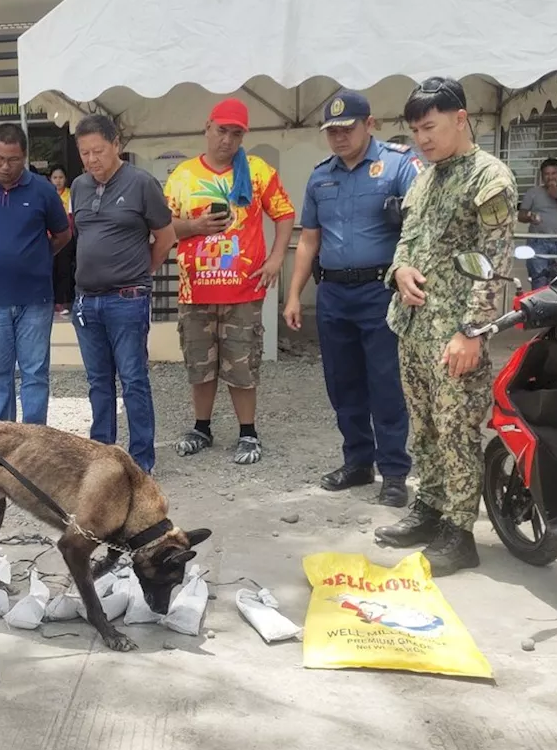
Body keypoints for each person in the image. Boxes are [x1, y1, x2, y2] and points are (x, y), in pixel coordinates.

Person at [375, 77, 516, 575]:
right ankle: (429, 508)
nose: (423, 139)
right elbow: (407, 240)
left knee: (457, 430)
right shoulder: (424, 177)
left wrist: (471, 333)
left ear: (461, 118)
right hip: (413, 327)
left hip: (455, 332)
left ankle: (460, 532)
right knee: (426, 427)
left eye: (430, 127)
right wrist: (400, 271)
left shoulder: (489, 178)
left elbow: (495, 264)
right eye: (415, 131)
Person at [284, 90, 422, 506]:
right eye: (332, 131)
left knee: (384, 383)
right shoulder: (320, 176)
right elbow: (309, 240)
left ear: (370, 124)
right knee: (342, 383)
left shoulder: (399, 166)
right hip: (333, 294)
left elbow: (418, 230)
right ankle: (358, 462)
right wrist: (294, 296)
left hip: (381, 291)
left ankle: (394, 471)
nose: (339, 138)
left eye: (348, 129)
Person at [165, 99, 295, 466]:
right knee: (199, 363)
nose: (228, 140)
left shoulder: (257, 171)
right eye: (222, 130)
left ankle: (248, 432)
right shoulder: (183, 176)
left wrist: (275, 259)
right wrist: (195, 227)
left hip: (242, 290)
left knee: (242, 364)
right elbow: (162, 227)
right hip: (196, 291)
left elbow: (285, 214)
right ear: (207, 127)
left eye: (236, 133)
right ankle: (201, 427)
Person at [70, 114, 177, 474]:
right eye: (84, 153)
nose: (91, 159)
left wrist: (141, 273)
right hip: (87, 300)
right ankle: (101, 455)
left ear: (117, 144)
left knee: (133, 379)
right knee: (98, 381)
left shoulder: (141, 184)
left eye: (98, 150)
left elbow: (165, 238)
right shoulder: (80, 187)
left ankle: (140, 461)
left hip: (127, 300)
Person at [0, 124, 70, 424]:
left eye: (13, 159)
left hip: (36, 299)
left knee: (34, 373)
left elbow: (62, 234)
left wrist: (37, 257)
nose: (5, 166)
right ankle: (4, 439)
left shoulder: (43, 190)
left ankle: (33, 444)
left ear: (24, 157)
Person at [519, 158, 557, 289]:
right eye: (546, 174)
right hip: (537, 242)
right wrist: (530, 216)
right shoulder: (533, 192)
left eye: (554, 173)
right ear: (542, 176)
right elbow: (521, 215)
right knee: (539, 280)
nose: (550, 177)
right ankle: (539, 308)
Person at [50, 166, 77, 316]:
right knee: (50, 269)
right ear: (50, 179)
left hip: (66, 237)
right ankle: (51, 300)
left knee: (64, 269)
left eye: (61, 177)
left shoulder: (70, 194)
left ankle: (61, 301)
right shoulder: (48, 195)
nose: (58, 181)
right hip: (48, 237)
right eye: (55, 178)